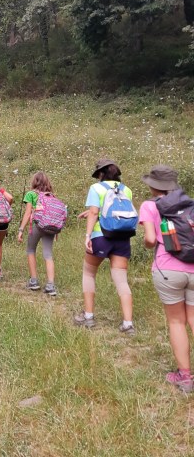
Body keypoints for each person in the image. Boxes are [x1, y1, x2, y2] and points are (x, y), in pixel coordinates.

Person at [139, 165, 194, 392]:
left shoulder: (149, 205)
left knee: (176, 322)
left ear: (154, 185)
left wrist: (148, 242)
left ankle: (185, 377)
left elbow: (151, 240)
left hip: (168, 269)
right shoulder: (190, 204)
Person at [74, 157, 135, 333]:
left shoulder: (96, 188)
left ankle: (88, 316)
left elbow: (95, 212)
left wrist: (87, 235)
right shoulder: (126, 190)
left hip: (100, 236)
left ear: (100, 174)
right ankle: (128, 323)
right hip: (122, 237)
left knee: (89, 273)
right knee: (121, 280)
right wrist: (91, 212)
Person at [18, 171, 57, 295]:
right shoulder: (51, 195)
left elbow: (28, 213)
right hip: (50, 227)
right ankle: (51, 285)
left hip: (37, 226)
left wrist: (21, 229)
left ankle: (34, 281)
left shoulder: (31, 194)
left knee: (30, 250)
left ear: (34, 181)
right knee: (48, 254)